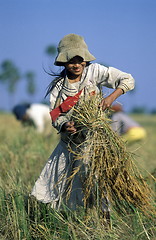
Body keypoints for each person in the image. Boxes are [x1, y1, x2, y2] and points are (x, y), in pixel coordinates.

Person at [31, 33, 135, 210]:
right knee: (54, 185)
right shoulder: (59, 87)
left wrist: (110, 98)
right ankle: (65, 219)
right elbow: (56, 115)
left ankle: (103, 220)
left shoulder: (95, 72)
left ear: (86, 59)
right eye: (72, 61)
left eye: (80, 60)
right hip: (70, 143)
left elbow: (127, 79)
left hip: (95, 141)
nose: (77, 65)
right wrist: (65, 125)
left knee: (95, 180)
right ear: (64, 62)